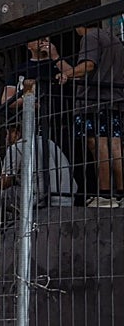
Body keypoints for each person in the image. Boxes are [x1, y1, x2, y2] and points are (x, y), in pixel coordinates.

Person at [56, 23, 124, 206]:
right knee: (115, 146)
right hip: (115, 99)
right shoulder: (114, 39)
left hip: (94, 101)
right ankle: (121, 194)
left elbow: (88, 65)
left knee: (98, 145)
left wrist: (67, 74)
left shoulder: (90, 37)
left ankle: (104, 195)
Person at [0, 120, 76, 234]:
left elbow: (5, 182)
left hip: (41, 199)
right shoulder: (49, 142)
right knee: (15, 193)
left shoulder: (17, 147)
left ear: (16, 133)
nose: (5, 139)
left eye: (7, 134)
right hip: (68, 197)